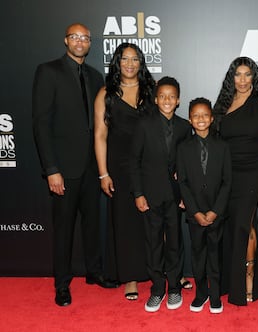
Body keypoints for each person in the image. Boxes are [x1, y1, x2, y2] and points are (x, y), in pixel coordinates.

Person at [32, 23, 118, 307]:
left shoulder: (95, 76)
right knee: (64, 229)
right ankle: (62, 284)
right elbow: (41, 124)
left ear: (90, 43)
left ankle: (94, 273)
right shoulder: (48, 72)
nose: (80, 42)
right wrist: (51, 168)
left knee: (93, 226)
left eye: (85, 38)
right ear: (66, 40)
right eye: (75, 37)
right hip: (64, 169)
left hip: (92, 168)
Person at [94, 43, 155, 300]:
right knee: (125, 222)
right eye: (125, 59)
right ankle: (130, 277)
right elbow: (100, 135)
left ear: (141, 63)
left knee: (153, 221)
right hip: (119, 166)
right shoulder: (106, 93)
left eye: (135, 59)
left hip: (149, 164)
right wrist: (103, 173)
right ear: (117, 62)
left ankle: (160, 270)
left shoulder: (151, 91)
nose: (130, 64)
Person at [213, 56, 258, 305]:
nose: (242, 80)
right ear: (232, 77)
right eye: (237, 75)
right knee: (236, 225)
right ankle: (232, 281)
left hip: (254, 169)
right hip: (227, 171)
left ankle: (247, 281)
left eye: (247, 74)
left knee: (242, 223)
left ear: (254, 77)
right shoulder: (224, 103)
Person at [130, 76, 192, 312]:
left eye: (172, 97)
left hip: (175, 197)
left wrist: (186, 193)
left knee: (175, 243)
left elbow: (187, 164)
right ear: (156, 99)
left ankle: (174, 287)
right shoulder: (143, 124)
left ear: (177, 100)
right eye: (163, 96)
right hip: (151, 195)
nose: (167, 100)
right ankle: (157, 289)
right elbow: (134, 161)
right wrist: (138, 193)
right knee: (153, 242)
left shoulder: (185, 127)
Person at [177, 97, 232, 313]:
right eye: (196, 116)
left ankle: (215, 295)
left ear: (211, 119)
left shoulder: (223, 146)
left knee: (215, 255)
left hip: (216, 213)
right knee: (198, 255)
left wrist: (215, 211)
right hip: (195, 214)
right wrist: (196, 211)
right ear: (190, 120)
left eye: (204, 115)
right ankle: (201, 294)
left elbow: (228, 182)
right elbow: (182, 181)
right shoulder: (183, 148)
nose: (201, 119)